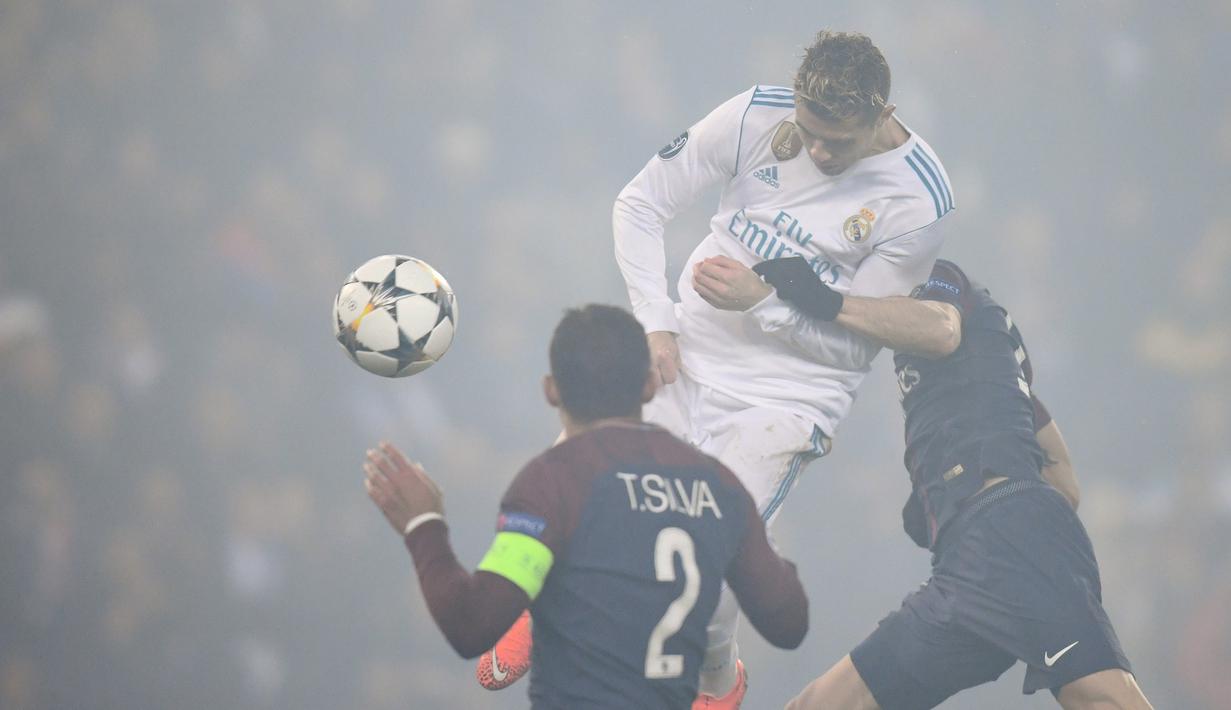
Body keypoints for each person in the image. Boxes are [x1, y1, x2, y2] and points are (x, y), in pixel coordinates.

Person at [482, 29, 955, 709]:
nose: (818, 152)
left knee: (700, 559)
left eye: (838, 142)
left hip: (785, 399)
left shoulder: (917, 199)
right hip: (688, 354)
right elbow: (638, 204)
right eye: (809, 131)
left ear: (881, 114)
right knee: (576, 472)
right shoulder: (753, 117)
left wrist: (765, 300)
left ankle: (716, 683)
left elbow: (856, 346)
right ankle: (531, 597)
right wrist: (655, 324)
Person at [698, 254, 1152, 709]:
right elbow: (1066, 484)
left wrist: (821, 298)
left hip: (1007, 533)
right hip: (966, 564)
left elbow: (941, 330)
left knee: (1105, 699)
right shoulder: (1000, 379)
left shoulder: (938, 278)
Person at [364, 304, 809, 710]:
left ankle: (533, 601)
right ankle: (718, 686)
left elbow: (471, 626)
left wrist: (423, 525)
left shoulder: (552, 484)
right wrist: (749, 539)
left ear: (552, 391)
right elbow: (789, 624)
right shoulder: (718, 488)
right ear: (650, 383)